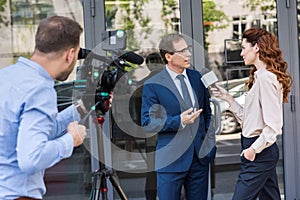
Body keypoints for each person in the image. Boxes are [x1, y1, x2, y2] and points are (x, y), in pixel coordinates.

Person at [0, 15, 87, 200]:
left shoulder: (5, 77)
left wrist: (80, 109)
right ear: (70, 54)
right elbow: (32, 158)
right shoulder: (40, 89)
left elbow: (30, 133)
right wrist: (71, 140)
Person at [213, 27, 292, 200]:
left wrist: (252, 150)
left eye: (243, 47)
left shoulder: (266, 78)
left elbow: (274, 125)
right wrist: (229, 99)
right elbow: (250, 120)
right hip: (256, 147)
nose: (241, 53)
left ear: (256, 47)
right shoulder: (258, 76)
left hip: (259, 150)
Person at [141, 33, 216, 200]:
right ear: (168, 56)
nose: (188, 54)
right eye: (182, 51)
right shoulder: (153, 84)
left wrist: (208, 143)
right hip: (170, 161)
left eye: (188, 49)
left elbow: (207, 114)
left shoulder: (196, 78)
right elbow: (148, 123)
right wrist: (179, 121)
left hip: (199, 159)